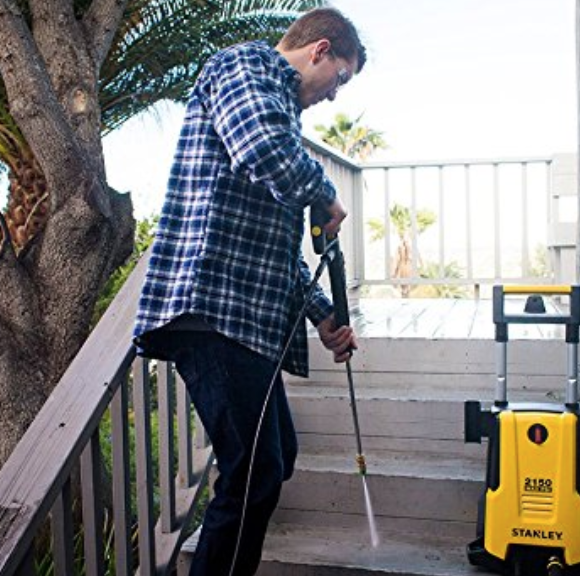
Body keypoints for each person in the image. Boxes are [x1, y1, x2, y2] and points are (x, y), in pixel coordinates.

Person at [133, 7, 366, 576]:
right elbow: (259, 149)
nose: (334, 96)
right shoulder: (246, 67)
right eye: (341, 78)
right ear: (319, 51)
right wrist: (323, 192)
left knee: (276, 459)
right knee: (254, 475)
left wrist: (322, 316)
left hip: (243, 319)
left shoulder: (284, 118)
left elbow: (280, 255)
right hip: (210, 309)